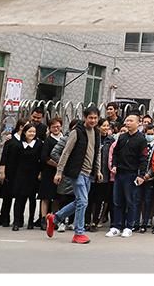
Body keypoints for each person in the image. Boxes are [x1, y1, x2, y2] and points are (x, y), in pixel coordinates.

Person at [48, 105, 102, 244]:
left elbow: (97, 153)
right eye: (90, 117)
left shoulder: (97, 132)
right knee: (83, 202)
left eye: (95, 118)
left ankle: (55, 218)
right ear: (85, 117)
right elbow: (66, 152)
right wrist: (59, 172)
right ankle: (79, 233)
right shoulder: (76, 132)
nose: (93, 120)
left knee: (79, 201)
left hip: (89, 174)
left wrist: (98, 170)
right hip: (77, 173)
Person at [107, 113, 148, 238]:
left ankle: (129, 226)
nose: (128, 123)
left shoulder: (141, 139)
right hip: (119, 173)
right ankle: (116, 226)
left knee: (131, 201)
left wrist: (141, 175)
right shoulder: (122, 137)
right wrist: (114, 164)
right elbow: (116, 153)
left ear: (137, 123)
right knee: (117, 201)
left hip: (132, 174)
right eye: (127, 120)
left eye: (131, 121)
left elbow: (143, 158)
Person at [0, 119, 26, 227]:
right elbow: (4, 156)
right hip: (9, 171)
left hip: (21, 172)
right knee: (7, 195)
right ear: (20, 127)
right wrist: (2, 171)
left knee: (20, 196)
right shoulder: (11, 139)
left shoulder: (27, 140)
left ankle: (19, 219)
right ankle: (4, 217)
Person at [11, 123, 42, 231]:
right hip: (20, 175)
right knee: (19, 199)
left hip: (33, 175)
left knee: (32, 199)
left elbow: (41, 160)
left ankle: (30, 222)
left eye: (34, 132)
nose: (32, 133)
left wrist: (40, 173)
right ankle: (16, 222)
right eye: (29, 131)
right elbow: (13, 161)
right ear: (24, 132)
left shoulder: (38, 145)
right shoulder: (19, 145)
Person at [37, 116, 64, 231]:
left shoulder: (64, 139)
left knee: (57, 197)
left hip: (61, 173)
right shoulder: (48, 140)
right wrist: (58, 165)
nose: (56, 128)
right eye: (53, 127)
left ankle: (54, 219)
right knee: (46, 196)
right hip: (49, 171)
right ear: (50, 128)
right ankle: (43, 218)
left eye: (58, 126)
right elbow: (44, 157)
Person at [87, 118, 114, 230]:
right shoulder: (93, 138)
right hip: (91, 173)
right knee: (88, 199)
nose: (106, 128)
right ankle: (86, 221)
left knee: (100, 200)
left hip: (105, 174)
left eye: (107, 126)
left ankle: (95, 222)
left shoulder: (111, 140)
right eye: (103, 126)